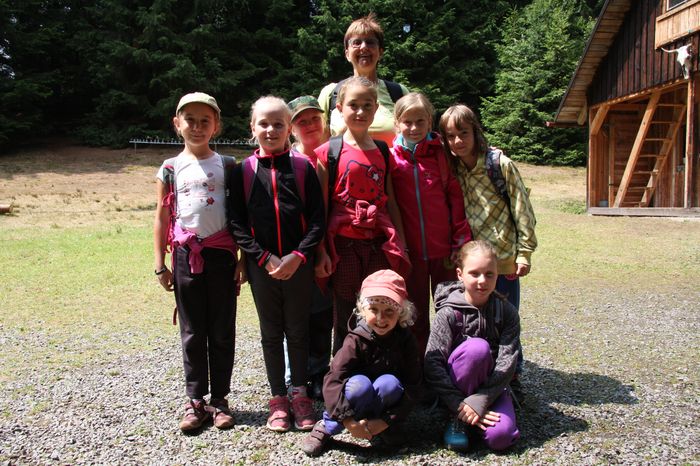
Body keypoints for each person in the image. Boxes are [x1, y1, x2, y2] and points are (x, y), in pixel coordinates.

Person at [228, 96, 325, 432]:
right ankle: (278, 399)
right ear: (252, 128)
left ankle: (300, 395)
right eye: (264, 124)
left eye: (278, 124)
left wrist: (299, 256)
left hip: (299, 264)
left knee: (298, 331)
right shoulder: (242, 171)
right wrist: (263, 257)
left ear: (289, 128)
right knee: (271, 334)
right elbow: (236, 223)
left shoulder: (303, 168)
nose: (271, 130)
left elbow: (317, 219)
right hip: (262, 267)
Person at [153, 92, 243, 431]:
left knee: (221, 329)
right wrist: (160, 264)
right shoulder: (169, 168)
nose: (197, 126)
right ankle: (195, 401)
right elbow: (162, 217)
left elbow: (241, 215)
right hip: (184, 256)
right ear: (177, 124)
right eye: (190, 120)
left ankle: (219, 400)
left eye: (205, 120)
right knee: (192, 331)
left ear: (216, 125)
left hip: (222, 256)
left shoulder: (229, 165)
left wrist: (243, 260)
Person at [439, 104, 537, 403]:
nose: (458, 141)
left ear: (476, 132)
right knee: (473, 319)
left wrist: (524, 252)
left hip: (503, 259)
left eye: (463, 133)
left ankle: (512, 376)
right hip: (470, 261)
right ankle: (478, 374)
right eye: (450, 136)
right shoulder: (453, 167)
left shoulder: (499, 164)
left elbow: (522, 208)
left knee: (504, 318)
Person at [314, 76, 410, 355]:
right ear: (339, 108)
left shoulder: (383, 151)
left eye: (367, 105)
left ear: (376, 108)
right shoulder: (328, 152)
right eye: (353, 105)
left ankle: (379, 363)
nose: (360, 111)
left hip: (378, 243)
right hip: (342, 245)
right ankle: (343, 367)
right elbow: (320, 208)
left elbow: (391, 202)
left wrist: (401, 243)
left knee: (379, 306)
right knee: (345, 311)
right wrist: (321, 251)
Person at [301, 269, 422, 457]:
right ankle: (328, 425)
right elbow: (333, 379)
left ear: (401, 312)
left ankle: (381, 427)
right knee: (360, 385)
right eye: (374, 310)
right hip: (354, 395)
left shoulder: (406, 340)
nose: (381, 318)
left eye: (389, 311)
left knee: (390, 383)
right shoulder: (355, 340)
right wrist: (348, 421)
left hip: (385, 400)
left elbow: (413, 384)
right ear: (363, 310)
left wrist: (387, 420)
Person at [390, 92, 472, 358]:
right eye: (407, 122)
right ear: (397, 123)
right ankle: (418, 365)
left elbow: (455, 198)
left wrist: (460, 242)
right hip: (411, 253)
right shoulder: (391, 158)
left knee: (450, 310)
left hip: (444, 251)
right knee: (413, 314)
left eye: (420, 121)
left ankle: (451, 362)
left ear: (430, 121)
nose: (414, 128)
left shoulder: (442, 154)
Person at [424, 241, 521, 452]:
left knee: (501, 437)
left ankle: (475, 419)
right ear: (460, 274)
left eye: (489, 274)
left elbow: (508, 362)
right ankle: (457, 418)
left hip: (491, 388)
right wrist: (458, 403)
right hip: (455, 392)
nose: (482, 281)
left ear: (497, 275)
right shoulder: (448, 313)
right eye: (474, 273)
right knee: (477, 349)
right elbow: (433, 362)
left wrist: (482, 399)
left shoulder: (507, 313)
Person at [284, 95, 333, 399]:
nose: (310, 125)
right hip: (298, 250)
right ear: (291, 129)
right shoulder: (288, 160)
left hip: (333, 246)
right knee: (297, 316)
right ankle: (295, 376)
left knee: (324, 314)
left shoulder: (336, 152)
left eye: (315, 118)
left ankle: (319, 372)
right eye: (302, 121)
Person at [317, 13, 409, 146]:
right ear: (347, 54)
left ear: (380, 52)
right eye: (356, 42)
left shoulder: (399, 93)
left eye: (370, 42)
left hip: (390, 160)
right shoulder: (330, 94)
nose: (364, 47)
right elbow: (319, 144)